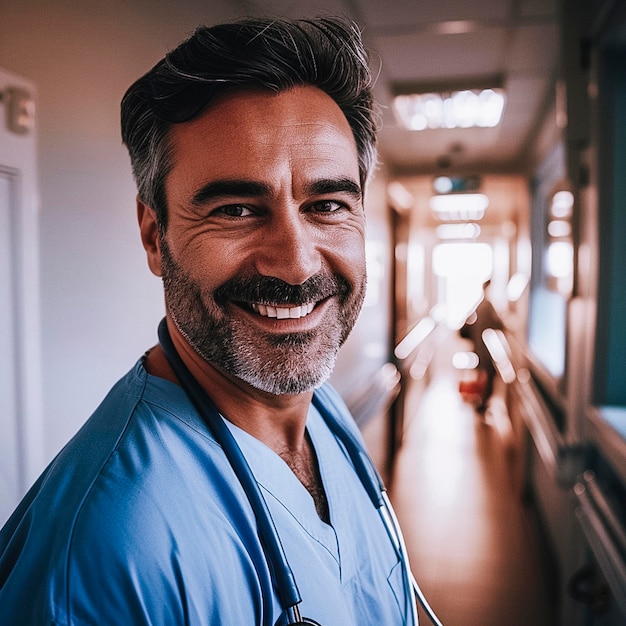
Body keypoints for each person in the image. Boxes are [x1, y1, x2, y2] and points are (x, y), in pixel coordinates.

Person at [0, 17, 418, 625]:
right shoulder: (107, 553)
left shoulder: (320, 409)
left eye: (326, 205)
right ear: (154, 235)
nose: (297, 264)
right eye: (237, 209)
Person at [460, 280, 504, 412]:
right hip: (485, 349)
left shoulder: (480, 305)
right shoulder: (487, 306)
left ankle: (482, 403)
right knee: (488, 376)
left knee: (484, 375)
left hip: (480, 348)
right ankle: (482, 404)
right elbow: (497, 324)